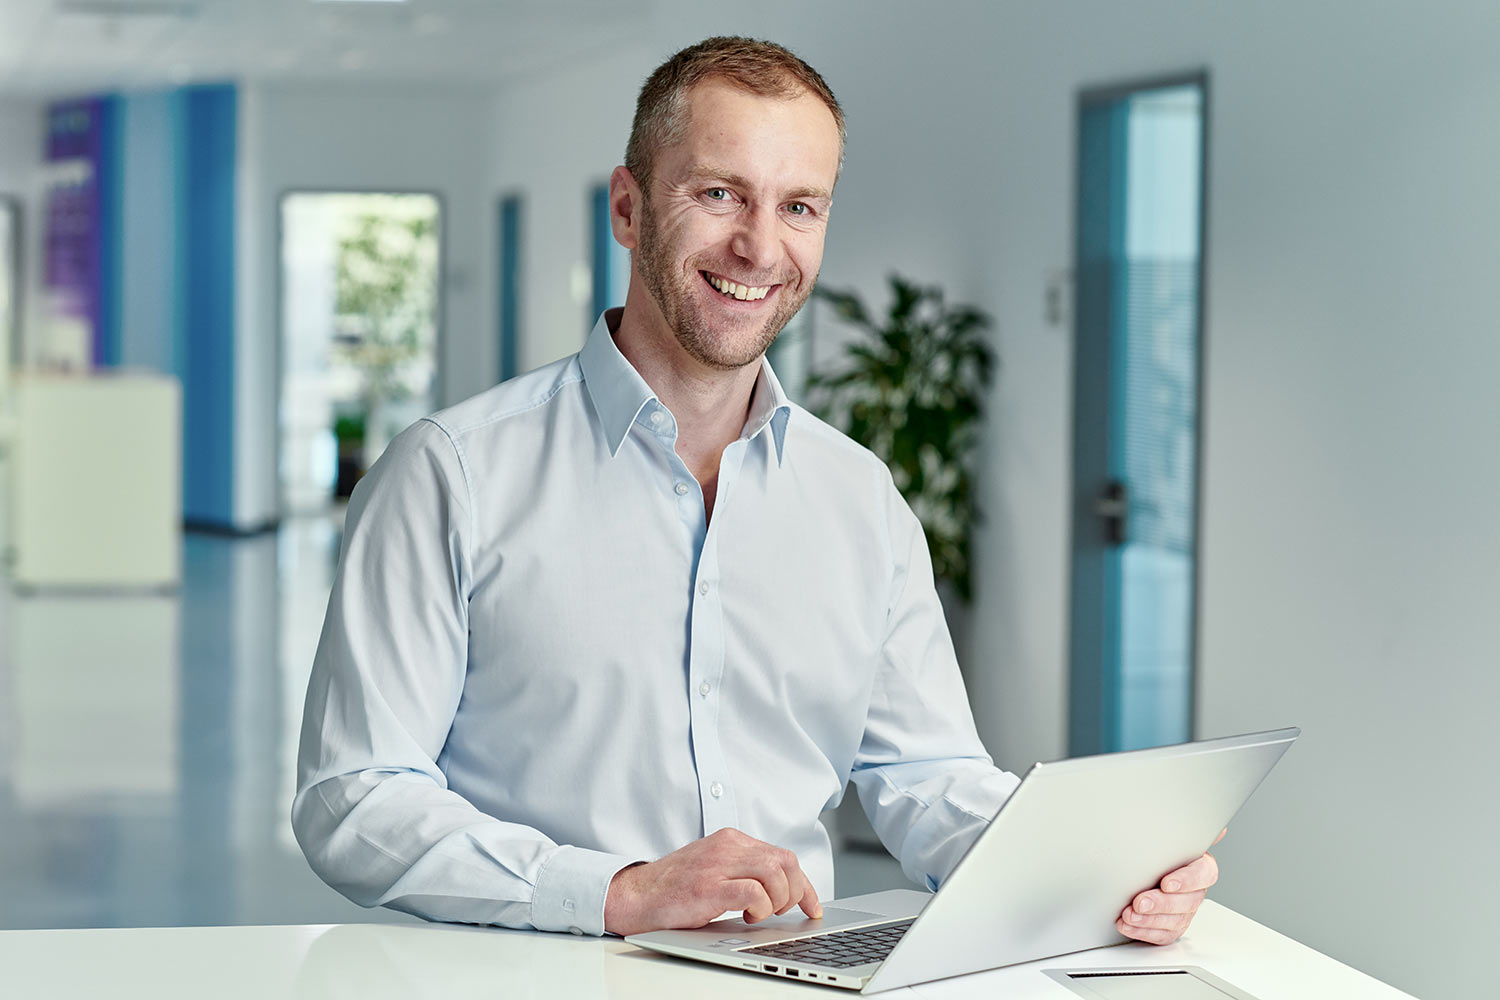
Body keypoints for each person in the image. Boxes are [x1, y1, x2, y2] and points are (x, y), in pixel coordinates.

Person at [292, 36, 1218, 945]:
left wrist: (1098, 871)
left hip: (782, 975)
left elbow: (928, 777)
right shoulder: (451, 475)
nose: (759, 246)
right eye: (719, 194)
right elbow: (353, 797)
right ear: (629, 206)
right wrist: (613, 890)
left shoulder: (859, 501)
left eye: (801, 206)